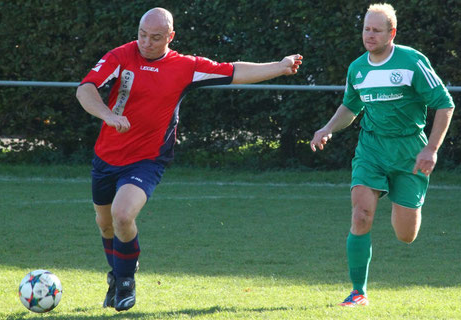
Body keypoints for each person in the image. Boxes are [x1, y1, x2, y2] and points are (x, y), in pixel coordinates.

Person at [76, 7, 302, 312]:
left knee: (123, 215)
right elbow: (86, 88)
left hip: (147, 159)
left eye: (156, 38)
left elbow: (234, 71)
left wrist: (280, 66)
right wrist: (107, 114)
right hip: (106, 156)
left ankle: (126, 281)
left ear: (171, 37)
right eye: (142, 35)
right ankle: (116, 277)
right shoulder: (120, 56)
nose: (146, 42)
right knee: (105, 225)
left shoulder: (185, 67)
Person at [310, 3, 454, 307]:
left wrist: (431, 149)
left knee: (406, 235)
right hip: (371, 149)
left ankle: (399, 199)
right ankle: (358, 291)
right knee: (360, 216)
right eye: (366, 29)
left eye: (376, 30)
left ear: (392, 32)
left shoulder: (412, 62)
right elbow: (351, 106)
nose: (369, 35)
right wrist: (327, 128)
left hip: (409, 153)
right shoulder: (357, 68)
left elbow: (444, 103)